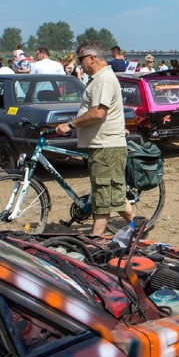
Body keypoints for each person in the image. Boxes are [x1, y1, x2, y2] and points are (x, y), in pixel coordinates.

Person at [55, 41, 132, 236]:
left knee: (103, 198)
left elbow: (98, 113)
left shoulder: (103, 80)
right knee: (111, 194)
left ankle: (94, 239)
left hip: (106, 146)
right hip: (103, 145)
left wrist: (71, 124)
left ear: (91, 58)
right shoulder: (99, 78)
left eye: (81, 60)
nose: (80, 65)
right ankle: (137, 227)